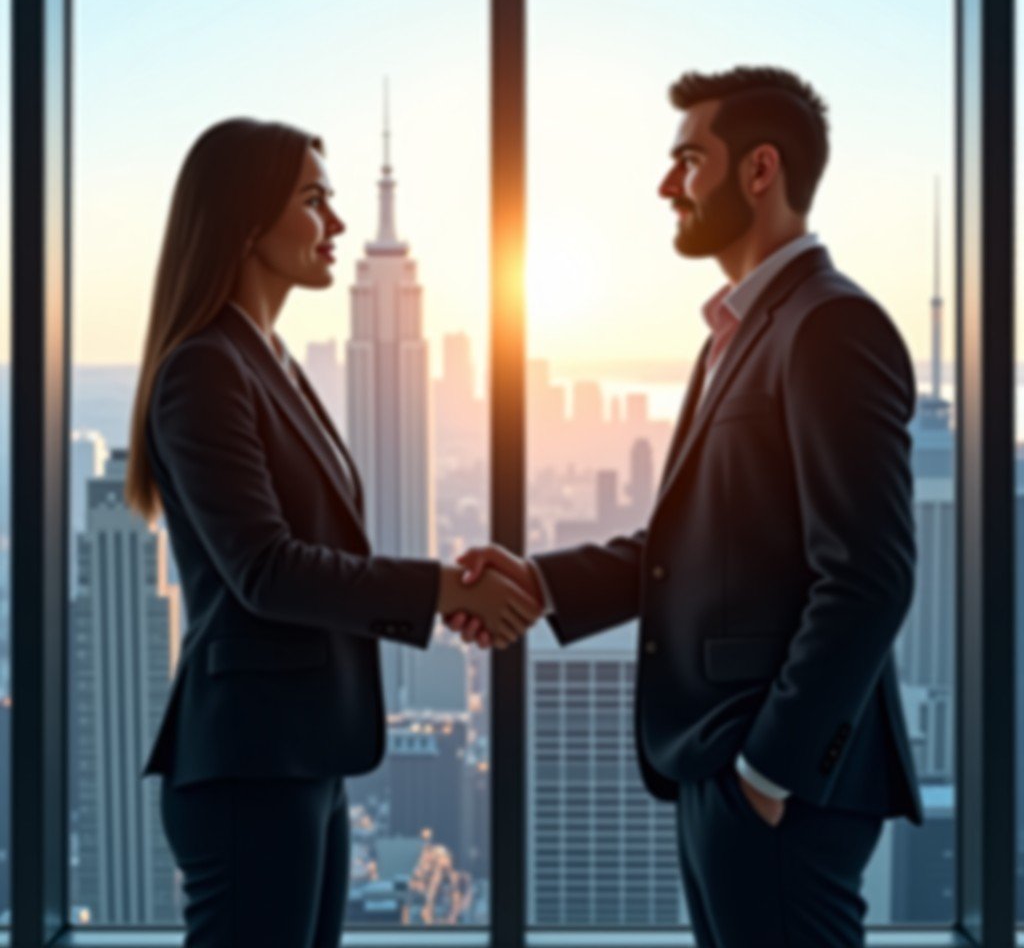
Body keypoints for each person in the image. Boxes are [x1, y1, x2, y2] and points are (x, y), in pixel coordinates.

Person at [450, 66, 923, 948]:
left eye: (689, 160)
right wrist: (541, 583)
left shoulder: (830, 326)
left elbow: (871, 577)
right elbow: (695, 548)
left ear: (760, 170)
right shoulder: (736, 337)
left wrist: (769, 772)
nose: (668, 185)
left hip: (776, 782)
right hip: (720, 765)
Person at [124, 117, 542, 948]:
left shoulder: (267, 359)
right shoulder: (206, 367)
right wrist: (440, 591)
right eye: (314, 200)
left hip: (301, 754)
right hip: (249, 764)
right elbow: (267, 569)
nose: (338, 223)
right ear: (247, 221)